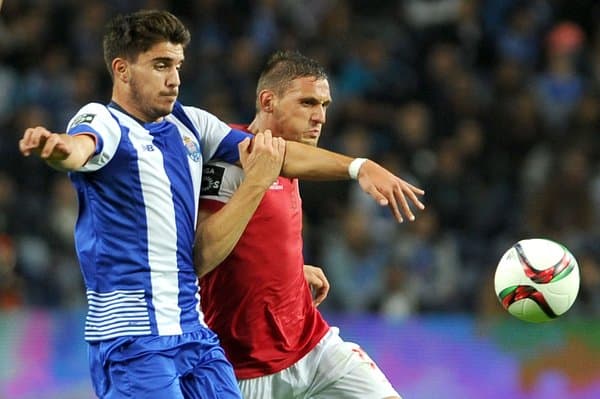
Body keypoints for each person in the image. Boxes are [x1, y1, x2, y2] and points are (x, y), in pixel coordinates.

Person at [17, 10, 423, 399]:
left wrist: (358, 166)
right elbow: (81, 147)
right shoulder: (105, 120)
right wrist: (58, 148)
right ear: (122, 70)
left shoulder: (191, 123)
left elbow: (276, 156)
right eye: (161, 65)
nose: (174, 78)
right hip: (134, 335)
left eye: (177, 65)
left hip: (193, 332)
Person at [198, 50, 408, 398]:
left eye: (324, 105)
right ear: (268, 101)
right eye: (308, 103)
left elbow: (257, 239)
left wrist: (289, 271)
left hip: (311, 344)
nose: (320, 117)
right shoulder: (231, 161)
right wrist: (256, 182)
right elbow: (202, 255)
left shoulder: (295, 161)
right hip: (243, 366)